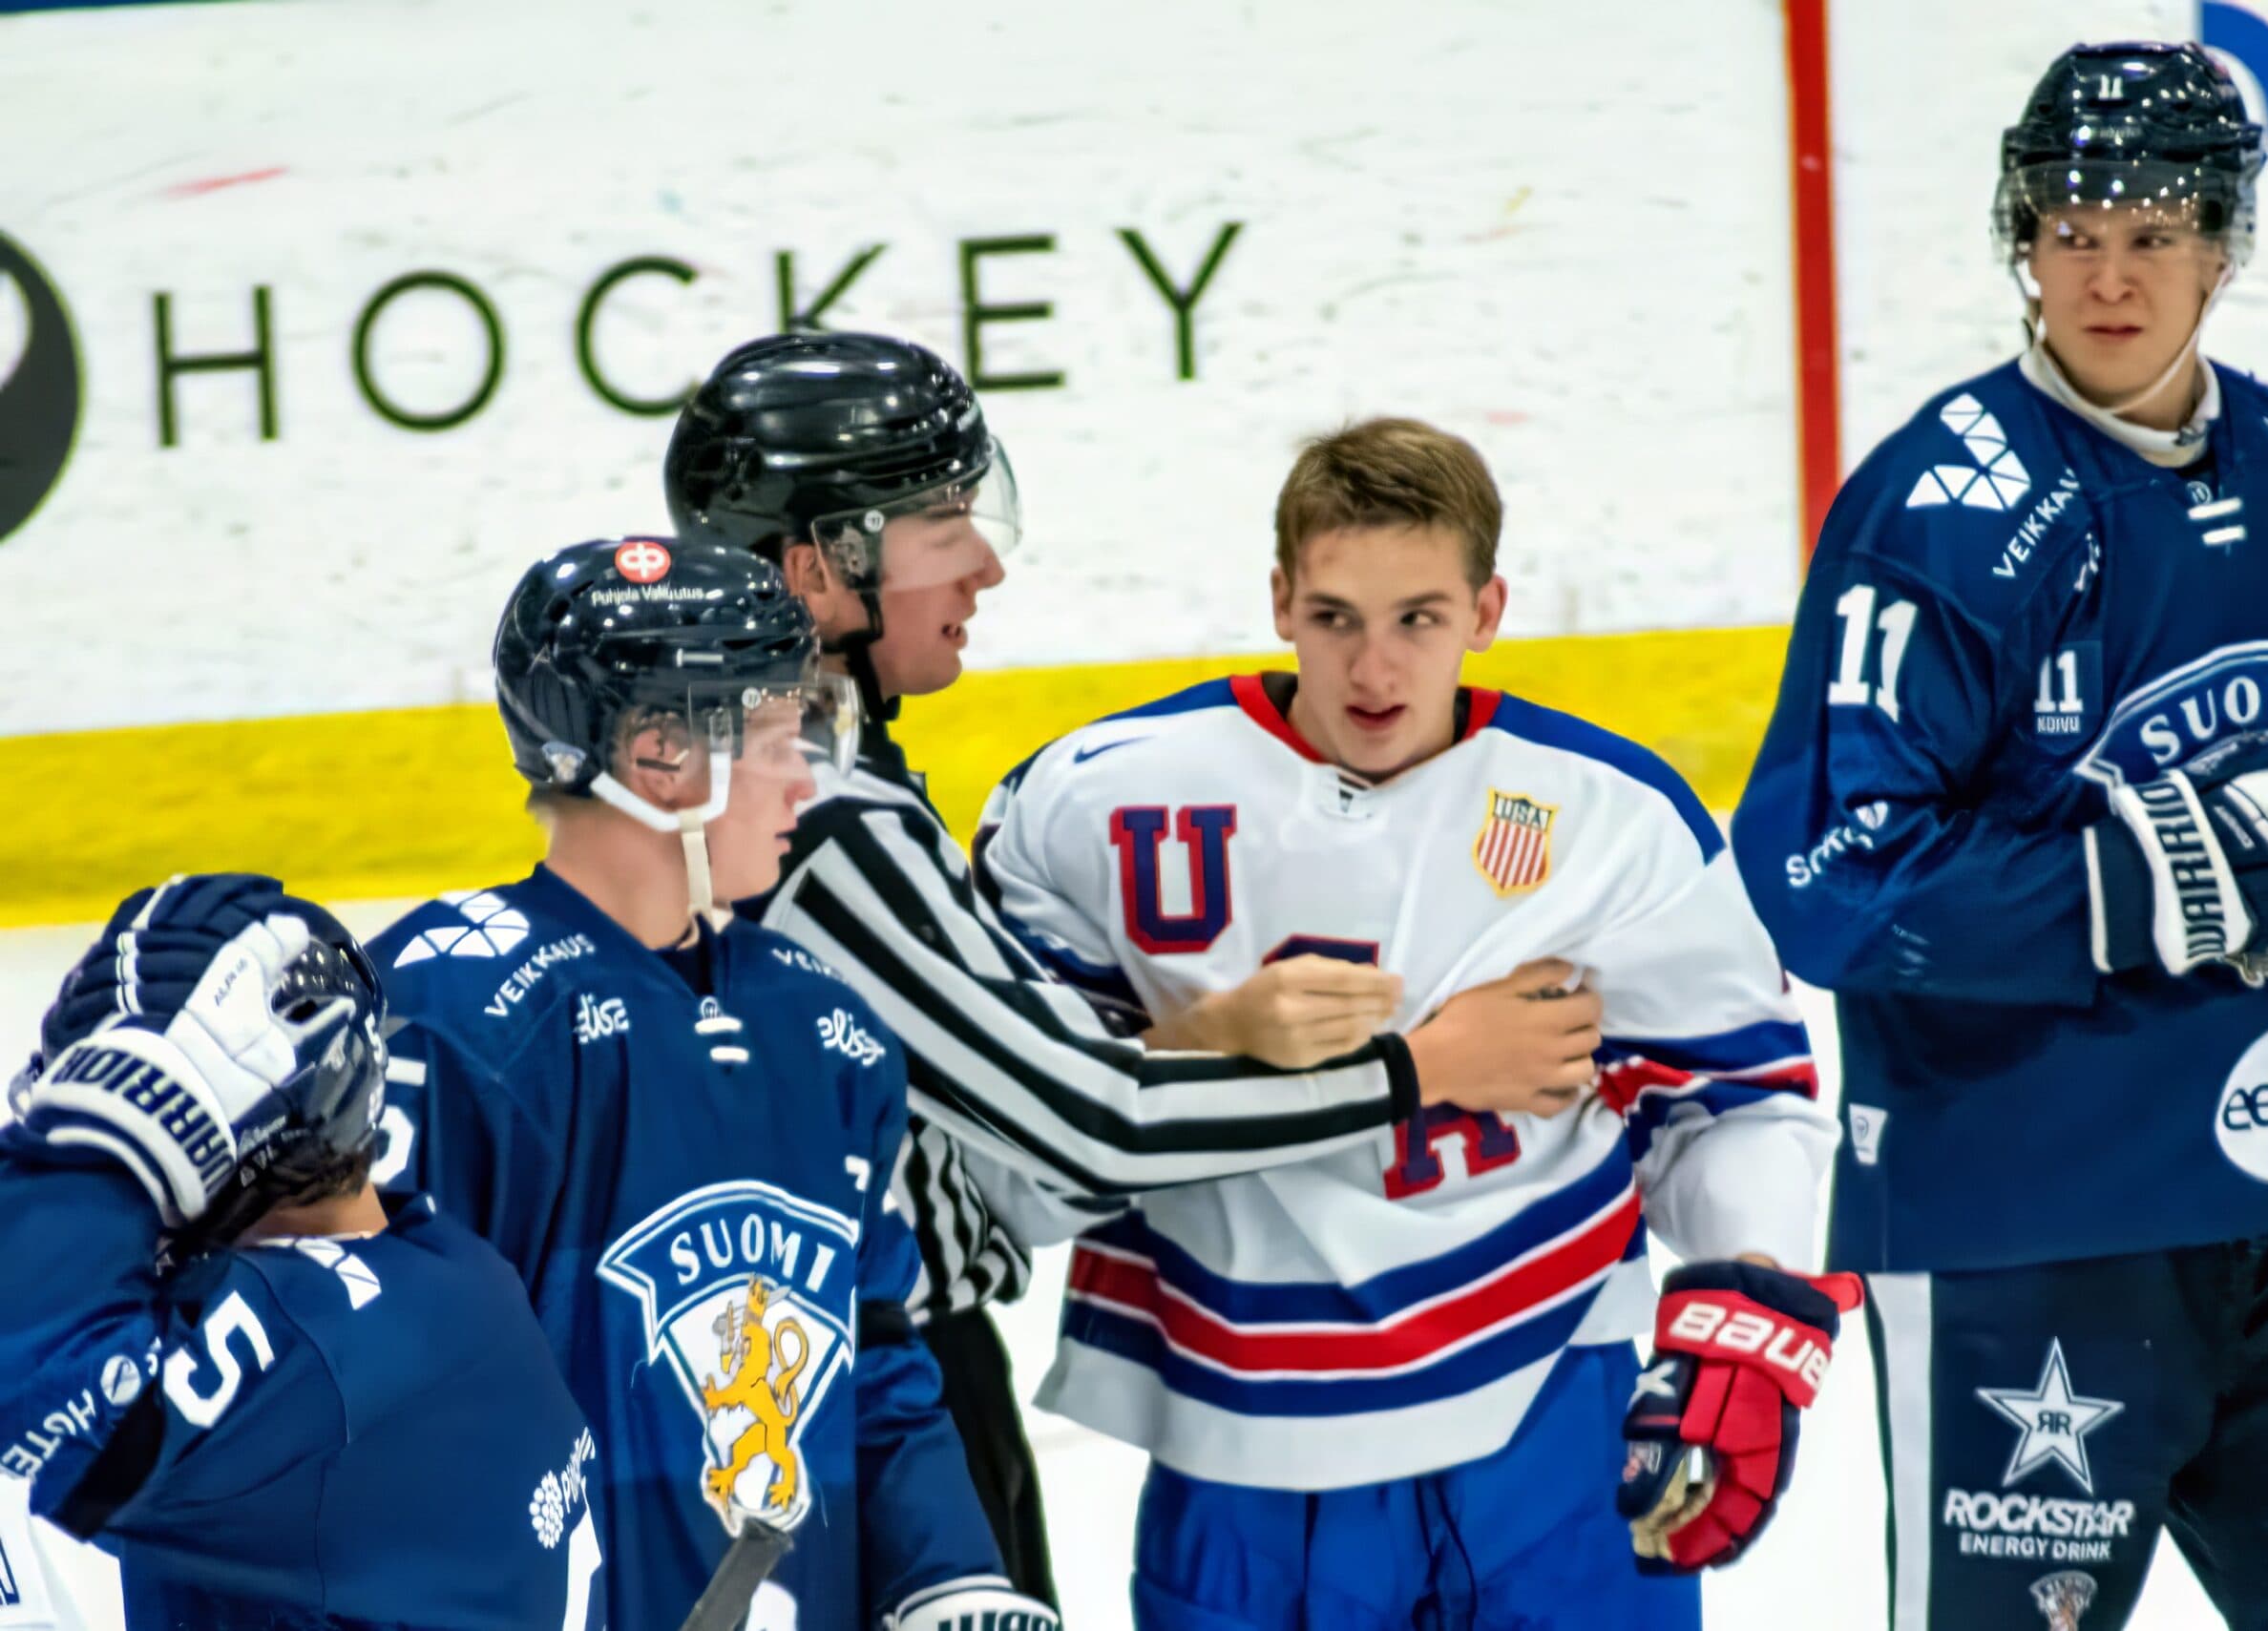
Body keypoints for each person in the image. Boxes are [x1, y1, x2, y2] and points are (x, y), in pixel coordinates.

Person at [664, 333, 1616, 1604]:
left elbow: (1011, 1099)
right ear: (815, 567)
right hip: (864, 1401)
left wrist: (1199, 1037)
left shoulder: (765, 771)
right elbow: (1085, 1135)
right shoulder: (815, 817)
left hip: (807, 1380)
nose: (986, 559)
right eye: (942, 520)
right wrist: (1423, 1068)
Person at [1731, 40, 2268, 1631]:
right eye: (2072, 230)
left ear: (2222, 246)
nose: (2107, 277)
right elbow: (1825, 881)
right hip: (2030, 1226)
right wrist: (2160, 877)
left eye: (2151, 235)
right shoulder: (1940, 508)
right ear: (2024, 235)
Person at [975, 416, 1851, 1628]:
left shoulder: (1611, 815)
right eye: (1335, 615)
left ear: (1487, 610)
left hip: (1550, 1397)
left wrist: (1744, 1302)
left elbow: (1734, 1093)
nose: (1372, 671)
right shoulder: (1089, 803)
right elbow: (1023, 1147)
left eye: (1417, 619)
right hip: (1238, 1435)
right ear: (1279, 598)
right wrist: (1213, 1039)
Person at [368, 537, 1054, 1631]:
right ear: (658, 758)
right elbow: (385, 1404)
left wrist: (944, 1570)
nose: (805, 778)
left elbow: (871, 1334)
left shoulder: (822, 1024)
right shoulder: (450, 1017)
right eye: (780, 739)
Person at [0, 873, 606, 1630]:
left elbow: (35, 1381)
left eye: (153, 1108)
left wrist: (105, 1148)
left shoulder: (323, 1349)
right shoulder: (437, 1283)